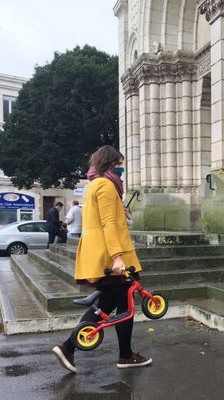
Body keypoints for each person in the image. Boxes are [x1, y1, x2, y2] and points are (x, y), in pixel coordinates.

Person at [52, 145, 150, 373]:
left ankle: (68, 347)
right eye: (119, 164)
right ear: (110, 163)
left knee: (107, 303)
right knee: (125, 305)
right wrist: (117, 257)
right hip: (110, 257)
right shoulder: (106, 186)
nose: (121, 169)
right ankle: (124, 356)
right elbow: (108, 224)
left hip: (101, 254)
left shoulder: (94, 184)